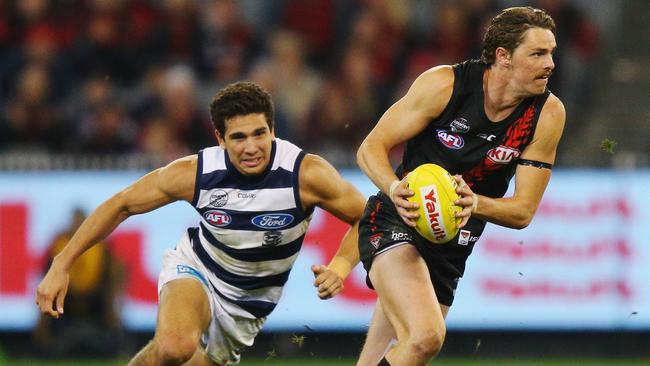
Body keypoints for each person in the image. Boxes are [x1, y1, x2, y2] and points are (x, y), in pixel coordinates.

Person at [36, 81, 366, 365]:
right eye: (238, 137)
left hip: (248, 307)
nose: (251, 148)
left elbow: (365, 215)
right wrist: (62, 264)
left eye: (259, 134)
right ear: (220, 138)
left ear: (273, 131)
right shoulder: (196, 173)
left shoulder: (306, 175)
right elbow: (122, 203)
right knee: (173, 347)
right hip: (199, 267)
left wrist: (340, 266)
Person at [355, 7, 565, 366]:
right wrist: (393, 188)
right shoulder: (445, 85)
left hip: (453, 243)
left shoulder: (546, 114)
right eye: (537, 53)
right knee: (426, 338)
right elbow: (370, 148)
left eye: (551, 53)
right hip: (396, 221)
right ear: (503, 56)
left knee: (390, 356)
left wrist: (473, 203)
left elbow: (523, 211)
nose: (550, 64)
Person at [33, 207, 123, 357]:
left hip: (95, 296)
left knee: (111, 306)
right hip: (65, 296)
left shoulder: (101, 244)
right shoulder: (60, 242)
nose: (78, 226)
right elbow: (47, 274)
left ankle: (114, 347)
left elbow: (113, 273)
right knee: (46, 304)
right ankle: (45, 348)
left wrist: (112, 299)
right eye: (76, 222)